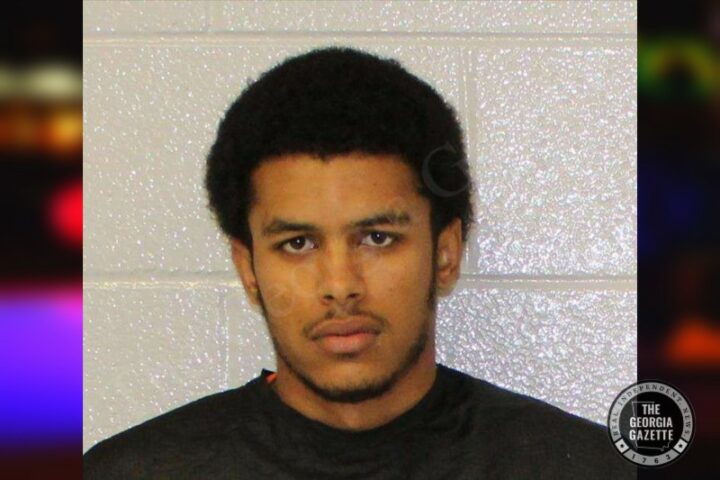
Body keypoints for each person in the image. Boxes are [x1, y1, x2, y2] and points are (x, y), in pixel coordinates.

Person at [84, 47, 635, 479]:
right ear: (248, 268)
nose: (340, 284)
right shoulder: (137, 472)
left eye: (376, 238)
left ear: (445, 253)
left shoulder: (584, 468)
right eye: (298, 243)